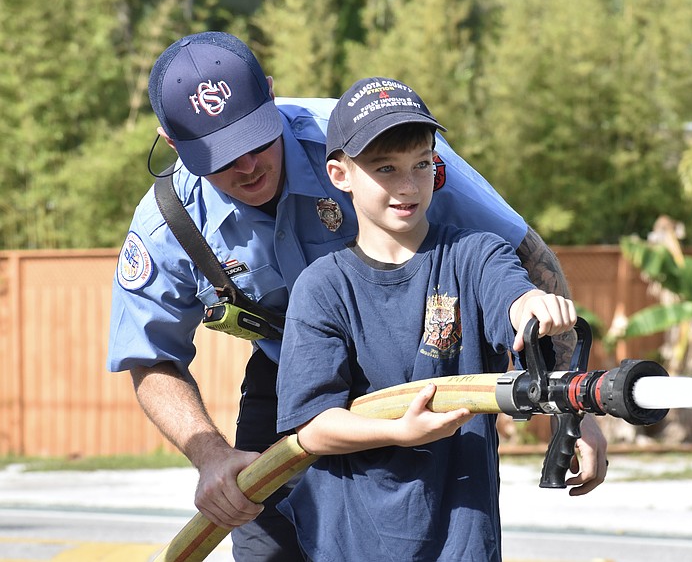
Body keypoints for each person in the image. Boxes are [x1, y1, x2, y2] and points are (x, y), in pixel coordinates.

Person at [106, 31, 607, 561]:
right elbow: (150, 355)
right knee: (265, 548)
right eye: (222, 157)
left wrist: (570, 405)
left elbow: (521, 258)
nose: (248, 166)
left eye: (256, 140)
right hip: (290, 376)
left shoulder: (375, 142)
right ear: (170, 139)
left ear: (271, 95)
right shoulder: (170, 224)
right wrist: (209, 456)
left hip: (418, 359)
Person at [276, 76, 581, 561]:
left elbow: (513, 299)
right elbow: (311, 430)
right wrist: (398, 431)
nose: (407, 186)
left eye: (422, 165)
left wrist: (532, 308)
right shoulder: (323, 287)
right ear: (339, 174)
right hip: (351, 542)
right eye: (385, 168)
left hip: (461, 541)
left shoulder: (474, 254)